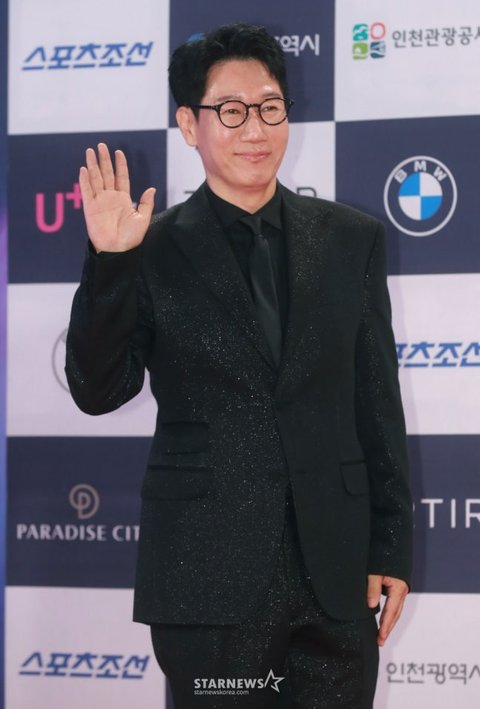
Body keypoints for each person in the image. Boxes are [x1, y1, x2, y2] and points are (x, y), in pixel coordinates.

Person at [66, 23, 413, 709]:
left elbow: (377, 403)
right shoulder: (150, 247)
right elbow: (99, 389)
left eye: (269, 107)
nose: (254, 129)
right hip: (208, 580)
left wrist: (391, 546)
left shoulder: (352, 240)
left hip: (335, 576)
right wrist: (110, 263)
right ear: (188, 125)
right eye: (230, 110)